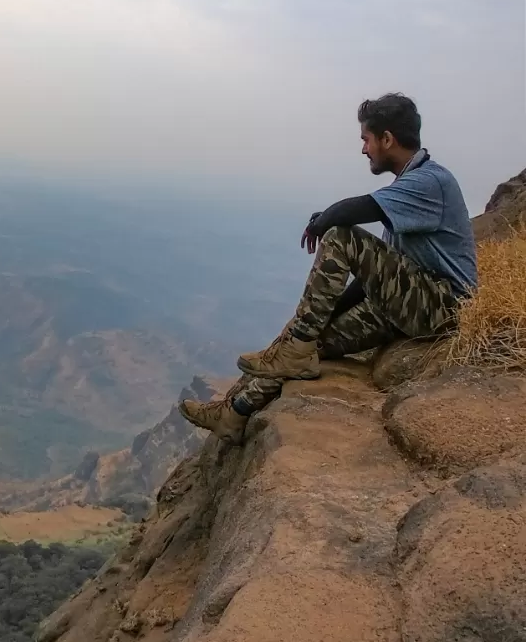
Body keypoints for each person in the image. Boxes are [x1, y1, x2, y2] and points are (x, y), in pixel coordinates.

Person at [181, 93, 478, 444]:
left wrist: (321, 222)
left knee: (340, 236)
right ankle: (234, 412)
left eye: (367, 139)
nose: (364, 149)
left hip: (444, 307)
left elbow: (348, 215)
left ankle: (295, 347)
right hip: (412, 304)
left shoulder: (431, 182)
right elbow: (377, 281)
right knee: (305, 343)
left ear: (387, 139)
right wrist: (318, 320)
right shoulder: (406, 191)